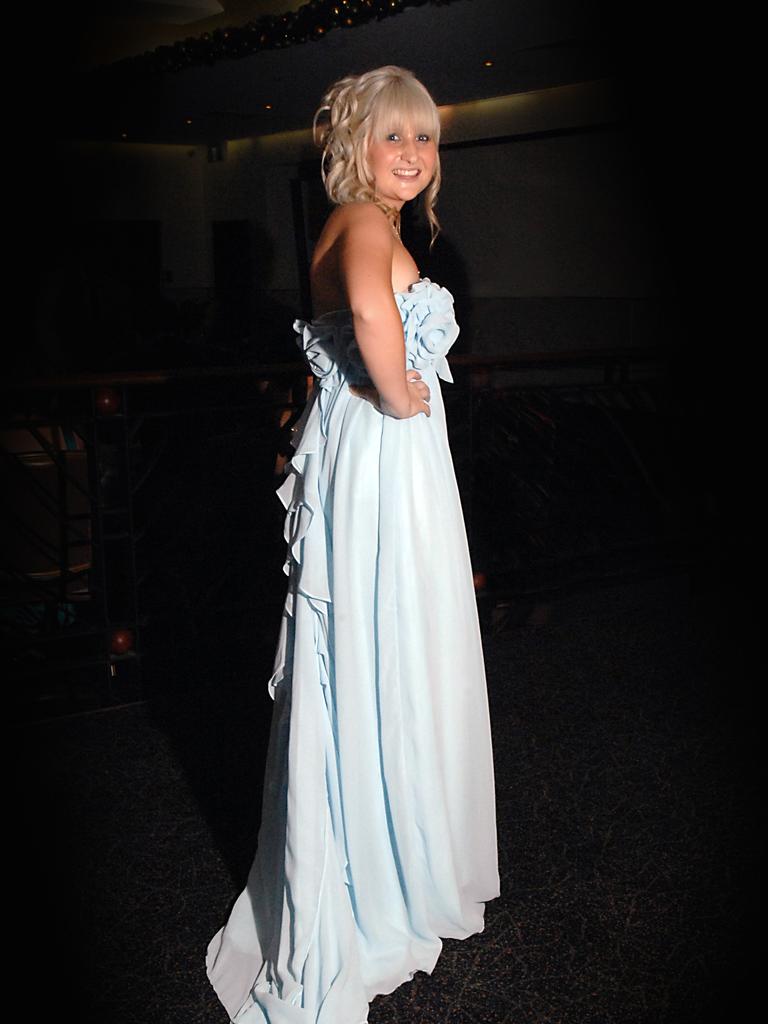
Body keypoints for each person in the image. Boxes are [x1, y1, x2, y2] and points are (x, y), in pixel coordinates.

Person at [205, 65, 500, 1024]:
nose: (413, 155)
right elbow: (374, 321)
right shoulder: (368, 223)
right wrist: (402, 388)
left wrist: (374, 390)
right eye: (395, 138)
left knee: (376, 644)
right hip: (384, 456)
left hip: (360, 455)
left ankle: (384, 856)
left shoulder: (341, 225)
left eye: (425, 139)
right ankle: (388, 876)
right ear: (357, 147)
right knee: (393, 641)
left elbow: (339, 331)